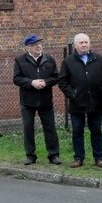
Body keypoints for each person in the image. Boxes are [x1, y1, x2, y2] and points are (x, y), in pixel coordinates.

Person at [58, 33, 102, 168]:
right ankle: (78, 158)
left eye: (86, 42)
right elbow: (62, 81)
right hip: (77, 103)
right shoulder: (68, 61)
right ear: (75, 45)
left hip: (96, 102)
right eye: (81, 43)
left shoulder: (99, 59)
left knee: (96, 130)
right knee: (77, 131)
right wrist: (72, 95)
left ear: (90, 44)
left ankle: (99, 158)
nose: (84, 45)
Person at [13, 34, 61, 165]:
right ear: (28, 47)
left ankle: (53, 155)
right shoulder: (20, 60)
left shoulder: (49, 59)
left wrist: (45, 82)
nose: (38, 46)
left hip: (45, 100)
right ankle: (30, 155)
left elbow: (56, 77)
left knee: (50, 128)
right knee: (28, 128)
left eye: (39, 44)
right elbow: (16, 78)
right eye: (34, 45)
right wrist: (31, 82)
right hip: (28, 101)